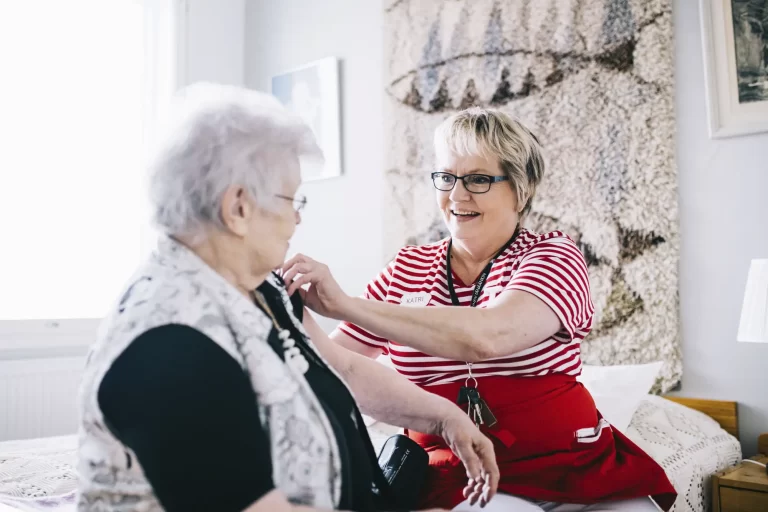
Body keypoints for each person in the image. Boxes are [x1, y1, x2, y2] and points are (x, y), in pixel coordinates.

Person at [75, 84, 499, 512]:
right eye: (292, 198)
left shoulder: (264, 288)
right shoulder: (168, 345)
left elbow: (346, 368)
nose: (298, 216)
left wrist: (446, 418)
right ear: (238, 207)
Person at [281, 108, 678, 512]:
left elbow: (488, 336)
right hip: (463, 475)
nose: (456, 195)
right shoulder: (405, 270)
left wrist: (346, 304)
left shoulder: (553, 255)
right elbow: (331, 366)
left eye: (478, 179)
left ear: (521, 189)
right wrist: (287, 303)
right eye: (446, 177)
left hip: (579, 468)